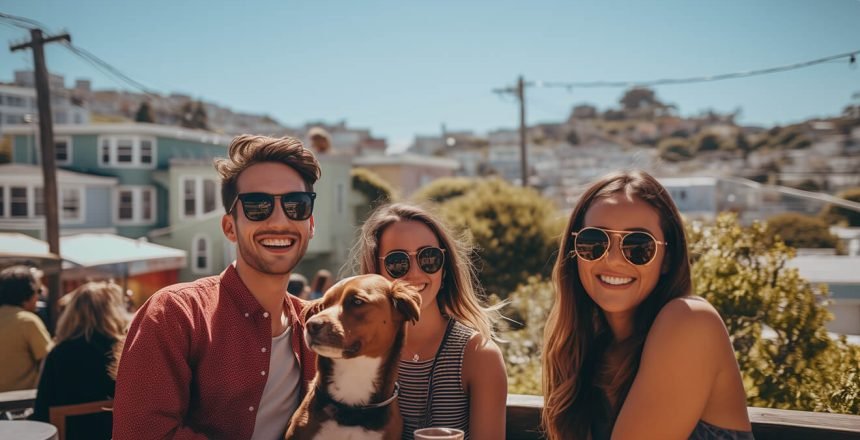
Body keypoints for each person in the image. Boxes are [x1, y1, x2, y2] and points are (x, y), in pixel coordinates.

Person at [113, 135, 321, 440]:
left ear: (310, 225)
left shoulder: (314, 325)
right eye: (257, 206)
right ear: (229, 227)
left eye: (296, 205)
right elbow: (142, 434)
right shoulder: (175, 313)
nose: (279, 220)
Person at [541, 170, 752, 440]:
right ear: (574, 253)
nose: (613, 259)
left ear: (667, 258)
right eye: (594, 241)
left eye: (638, 245)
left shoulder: (691, 322)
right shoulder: (583, 352)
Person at [352, 202, 507, 440]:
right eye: (397, 262)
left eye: (429, 258)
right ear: (376, 272)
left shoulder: (479, 355)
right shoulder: (356, 352)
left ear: (444, 269)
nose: (415, 273)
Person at [31, 281, 130, 440]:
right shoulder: (124, 350)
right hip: (115, 433)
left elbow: (42, 411)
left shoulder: (58, 353)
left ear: (71, 313)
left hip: (71, 434)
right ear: (114, 312)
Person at [0, 265, 52, 393]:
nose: (38, 297)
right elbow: (50, 361)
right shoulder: (27, 321)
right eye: (38, 291)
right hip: (23, 400)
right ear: (27, 293)